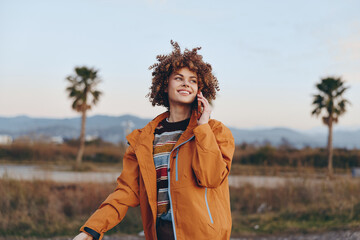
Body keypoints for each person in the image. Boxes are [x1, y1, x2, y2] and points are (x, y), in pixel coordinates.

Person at [73, 40, 235, 240]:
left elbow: (211, 177)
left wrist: (202, 128)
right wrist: (92, 230)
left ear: (200, 90)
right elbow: (126, 191)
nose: (186, 83)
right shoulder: (143, 139)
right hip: (161, 235)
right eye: (179, 78)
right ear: (164, 86)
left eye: (193, 80)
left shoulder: (215, 132)